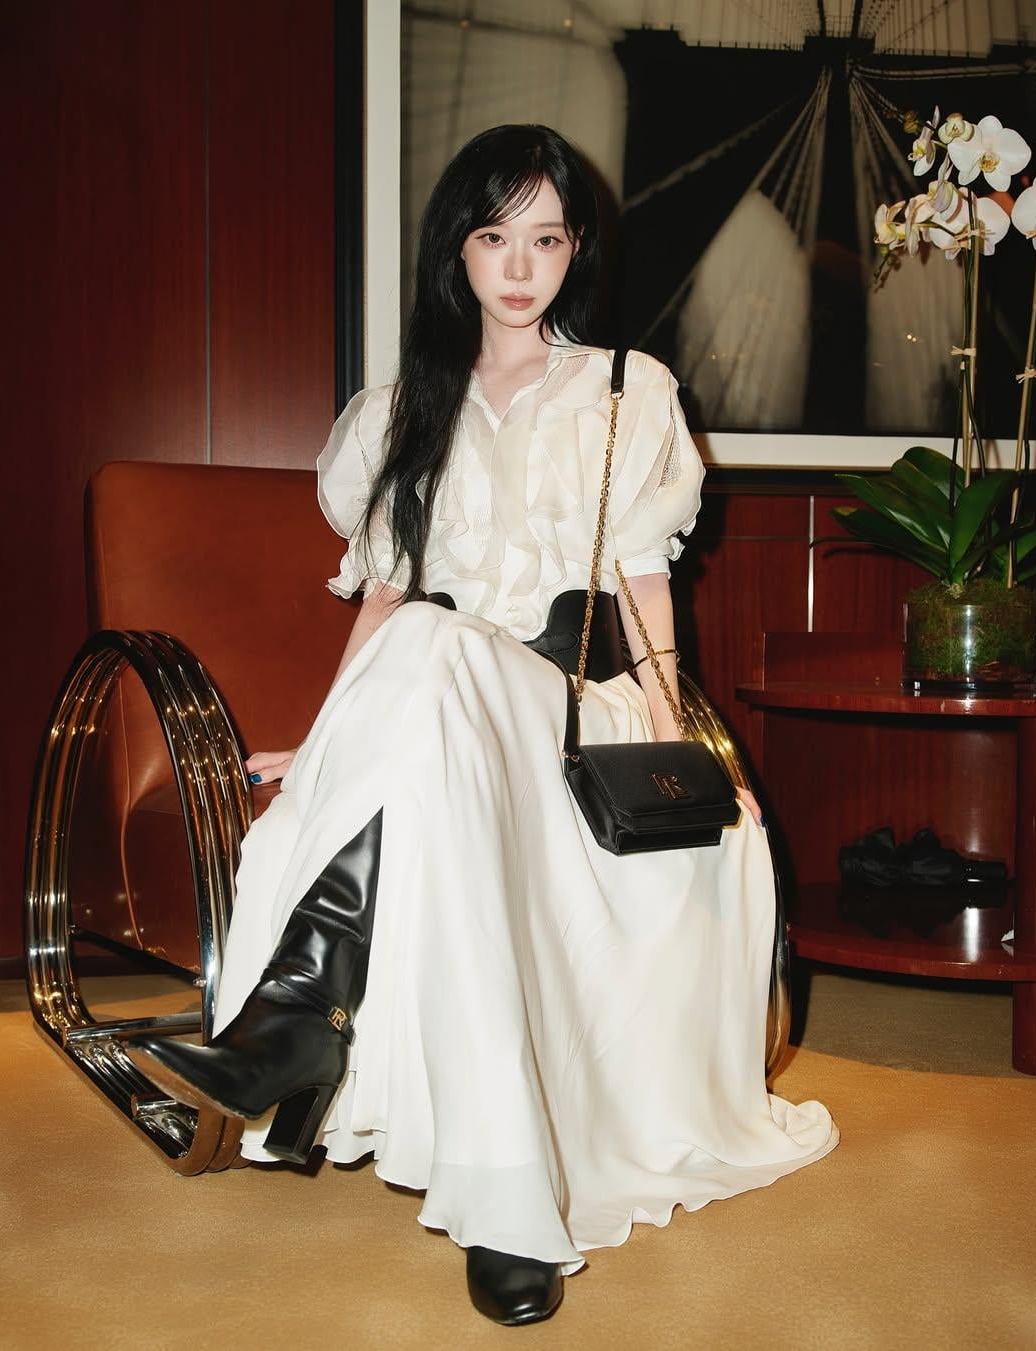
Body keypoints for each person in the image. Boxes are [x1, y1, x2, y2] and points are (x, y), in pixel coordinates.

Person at [130, 124, 838, 1328]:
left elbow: (642, 583)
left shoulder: (626, 393)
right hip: (436, 714)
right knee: (425, 643)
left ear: (576, 252)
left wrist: (671, 723)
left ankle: (299, 1017)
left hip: (565, 707)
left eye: (546, 240)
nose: (519, 267)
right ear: (456, 249)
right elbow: (386, 602)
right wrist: (333, 739)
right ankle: (506, 1205)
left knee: (435, 641)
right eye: (495, 237)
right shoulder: (399, 412)